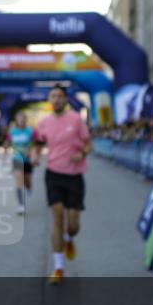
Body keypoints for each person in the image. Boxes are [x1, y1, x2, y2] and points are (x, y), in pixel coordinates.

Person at [31, 84, 91, 285]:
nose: (56, 99)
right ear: (49, 99)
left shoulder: (75, 120)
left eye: (59, 96)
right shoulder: (44, 122)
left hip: (74, 176)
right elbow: (38, 142)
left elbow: (89, 143)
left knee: (73, 225)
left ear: (65, 99)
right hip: (53, 174)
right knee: (56, 216)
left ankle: (68, 236)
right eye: (53, 96)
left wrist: (81, 153)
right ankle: (58, 267)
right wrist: (35, 155)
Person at [6, 111, 34, 214]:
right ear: (16, 121)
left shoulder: (30, 131)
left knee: (27, 182)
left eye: (23, 119)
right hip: (17, 159)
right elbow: (7, 143)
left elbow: (35, 144)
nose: (21, 121)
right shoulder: (12, 132)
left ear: (25, 120)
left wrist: (31, 151)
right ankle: (21, 205)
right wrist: (5, 152)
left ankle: (29, 187)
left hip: (27, 160)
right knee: (19, 183)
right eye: (19, 119)